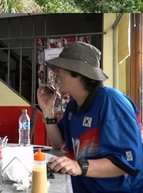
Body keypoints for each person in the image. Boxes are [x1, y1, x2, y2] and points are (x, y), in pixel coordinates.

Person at [37, 41, 143, 193]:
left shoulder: (112, 102)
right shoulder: (74, 104)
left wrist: (80, 166)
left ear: (78, 72)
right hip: (83, 187)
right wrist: (47, 111)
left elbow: (127, 163)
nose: (56, 72)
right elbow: (58, 143)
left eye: (61, 68)